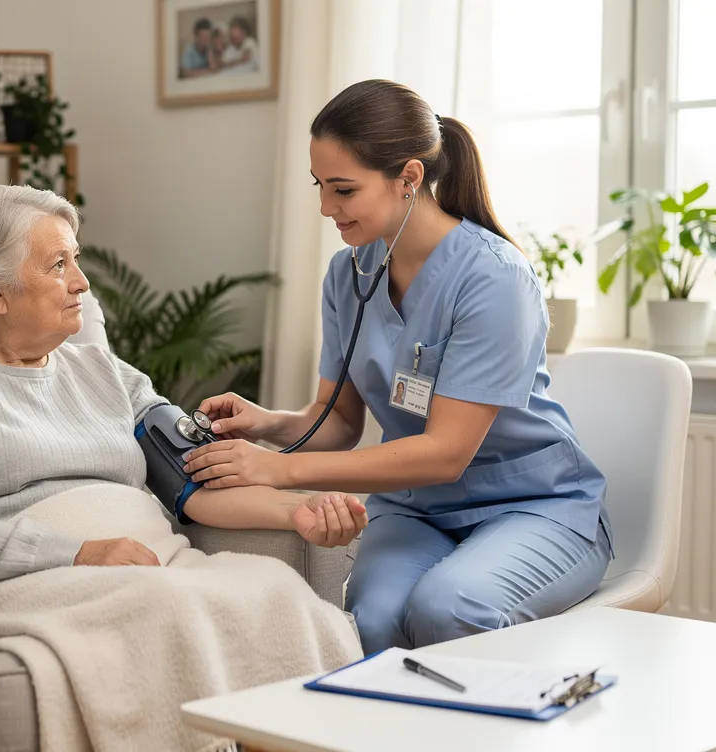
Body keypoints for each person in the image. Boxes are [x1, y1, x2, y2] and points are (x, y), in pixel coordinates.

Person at [184, 79, 613, 655]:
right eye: (319, 186)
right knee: (374, 621)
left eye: (343, 190)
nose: (324, 208)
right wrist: (267, 424)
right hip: (418, 509)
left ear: (408, 178)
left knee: (450, 607)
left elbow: (445, 452)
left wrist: (277, 471)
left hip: (535, 504)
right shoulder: (348, 275)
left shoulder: (493, 278)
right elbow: (337, 422)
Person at [0, 184, 369, 586]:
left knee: (276, 599)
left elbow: (193, 481)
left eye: (75, 259)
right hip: (43, 578)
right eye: (59, 264)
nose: (82, 282)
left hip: (151, 567)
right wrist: (78, 554)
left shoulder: (107, 373)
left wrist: (298, 509)